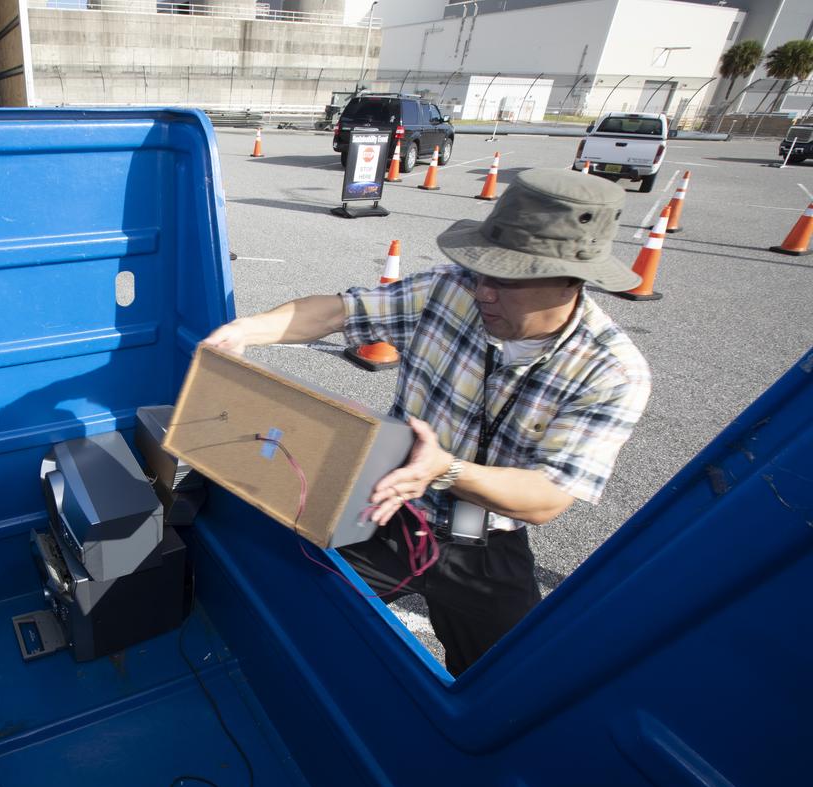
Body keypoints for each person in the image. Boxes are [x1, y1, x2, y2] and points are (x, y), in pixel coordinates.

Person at [204, 169, 652, 676]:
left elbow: (549, 496)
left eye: (504, 280)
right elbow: (338, 313)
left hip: (485, 546)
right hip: (385, 508)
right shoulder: (450, 288)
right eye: (480, 271)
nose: (482, 291)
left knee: (501, 680)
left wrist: (447, 470)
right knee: (297, 616)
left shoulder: (611, 371)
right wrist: (247, 330)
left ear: (571, 281)